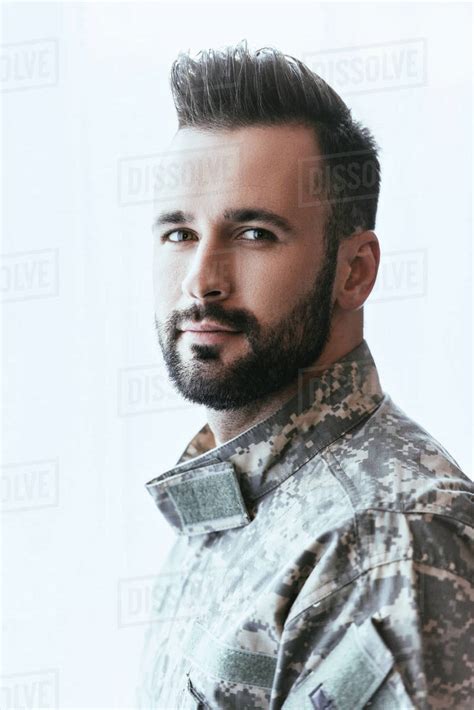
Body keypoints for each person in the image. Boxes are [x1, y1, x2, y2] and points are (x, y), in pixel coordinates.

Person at [138, 40, 473, 709]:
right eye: (179, 233)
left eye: (254, 234)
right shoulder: (227, 509)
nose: (201, 280)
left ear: (355, 271)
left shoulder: (387, 539)